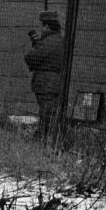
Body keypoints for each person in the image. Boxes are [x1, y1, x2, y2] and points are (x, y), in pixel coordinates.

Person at [23, 9, 65, 138]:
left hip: (45, 84)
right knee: (51, 113)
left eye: (42, 25)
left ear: (46, 26)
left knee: (46, 114)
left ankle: (46, 140)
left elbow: (30, 58)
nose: (41, 29)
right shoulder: (60, 40)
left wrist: (36, 45)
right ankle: (48, 138)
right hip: (56, 82)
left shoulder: (47, 42)